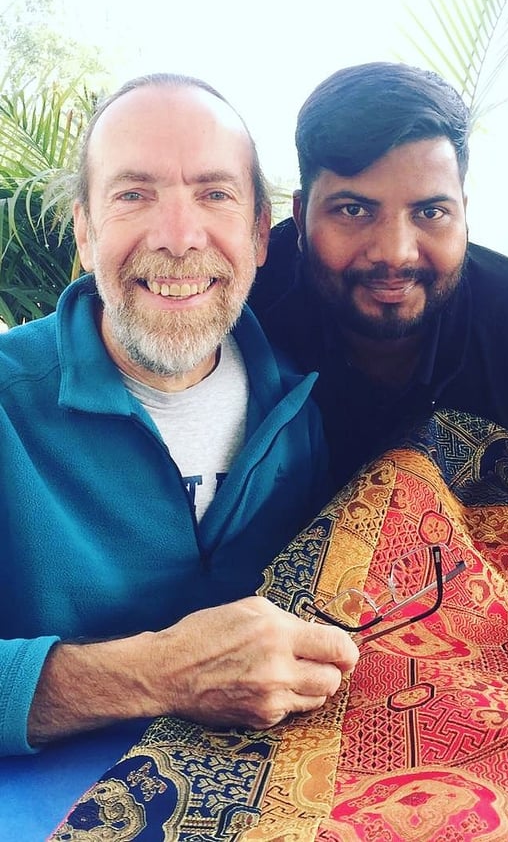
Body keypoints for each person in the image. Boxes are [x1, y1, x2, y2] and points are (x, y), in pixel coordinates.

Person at [0, 73, 359, 758]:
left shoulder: (298, 411)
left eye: (215, 194)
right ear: (84, 229)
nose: (178, 236)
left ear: (259, 233)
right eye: (134, 195)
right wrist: (160, 675)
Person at [248, 62, 508, 496]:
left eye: (430, 212)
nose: (395, 252)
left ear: (463, 213)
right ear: (300, 218)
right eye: (354, 210)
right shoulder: (244, 311)